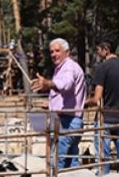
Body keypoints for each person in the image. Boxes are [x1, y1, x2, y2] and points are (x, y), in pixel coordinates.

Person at [32, 37, 88, 169]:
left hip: (66, 121)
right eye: (51, 52)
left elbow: (66, 84)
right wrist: (51, 103)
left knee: (57, 159)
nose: (53, 54)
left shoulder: (68, 67)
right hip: (69, 119)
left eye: (57, 51)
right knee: (71, 159)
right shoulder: (62, 68)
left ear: (67, 52)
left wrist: (48, 83)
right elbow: (65, 92)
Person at [89, 39, 119, 176]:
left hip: (105, 117)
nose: (98, 53)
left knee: (102, 157)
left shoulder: (102, 68)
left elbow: (97, 98)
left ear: (106, 49)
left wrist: (87, 102)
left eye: (98, 50)